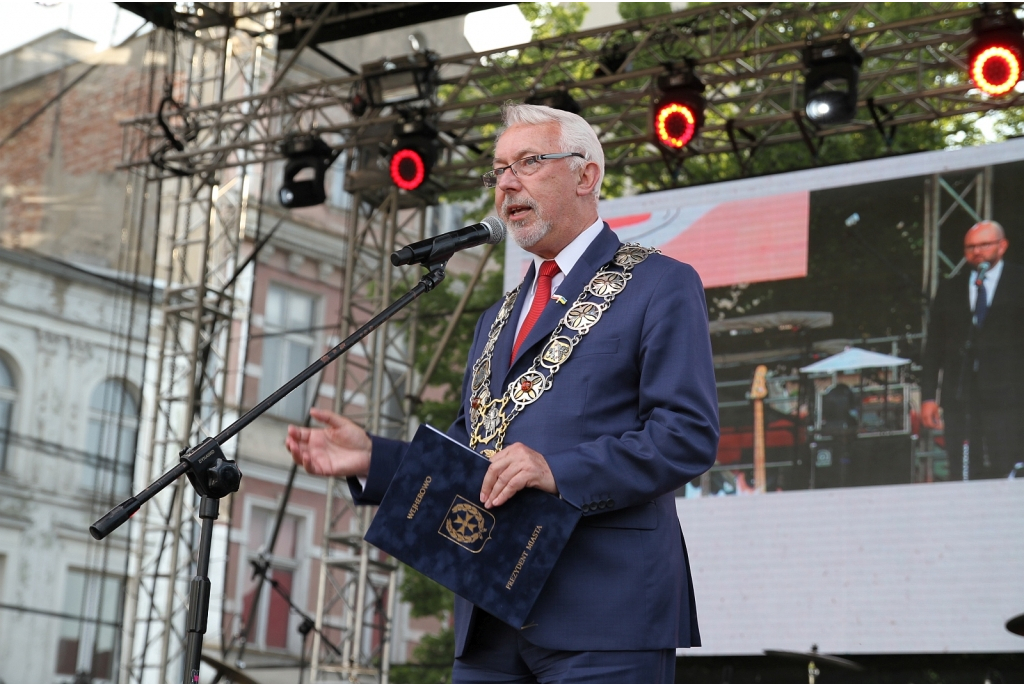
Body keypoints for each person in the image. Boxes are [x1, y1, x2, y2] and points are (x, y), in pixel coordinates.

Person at [285, 103, 719, 683]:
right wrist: (374, 457)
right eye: (498, 171)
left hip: (605, 610)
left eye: (530, 162)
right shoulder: (497, 316)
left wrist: (557, 470)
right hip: (491, 610)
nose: (507, 182)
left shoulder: (658, 284)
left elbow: (686, 435)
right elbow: (473, 447)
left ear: (586, 176)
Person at [921, 220, 1024, 480]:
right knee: (963, 468)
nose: (976, 251)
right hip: (960, 393)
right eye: (970, 247)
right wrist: (928, 396)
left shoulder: (1018, 280)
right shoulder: (949, 288)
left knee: (1007, 463)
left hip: (1009, 394)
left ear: (1002, 246)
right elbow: (934, 346)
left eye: (984, 245)